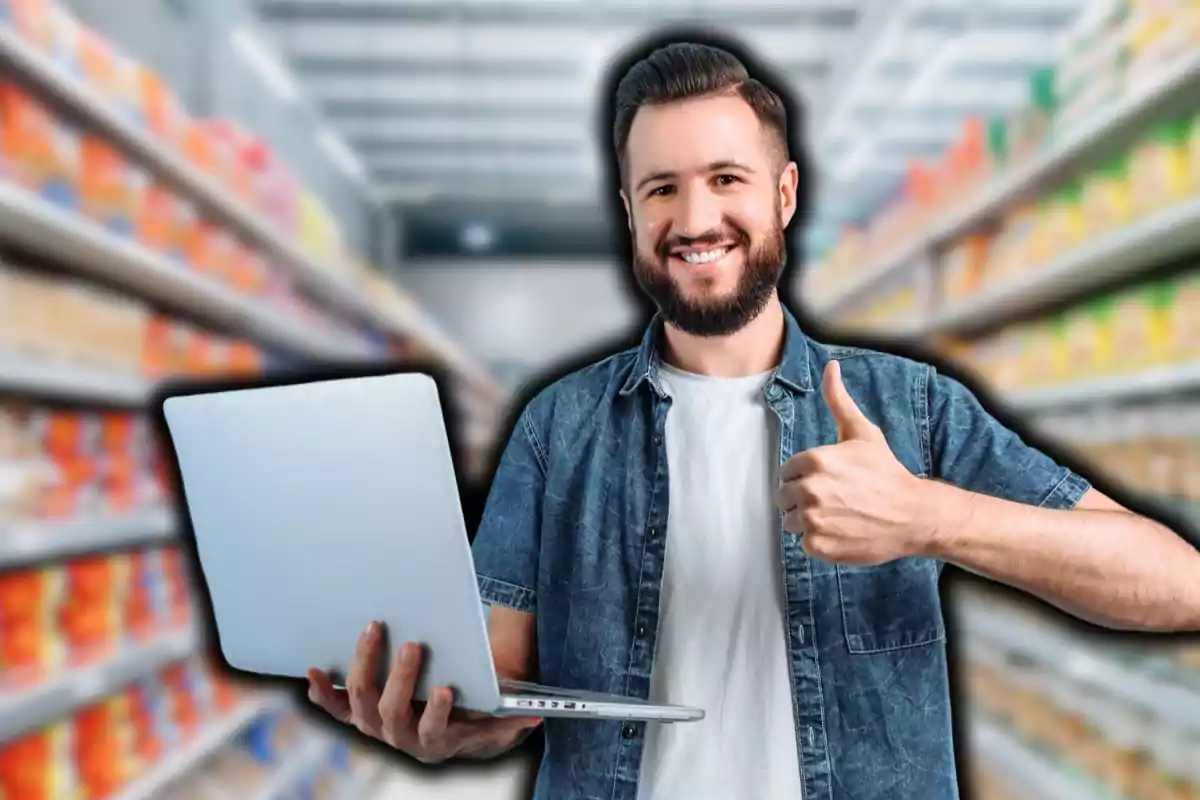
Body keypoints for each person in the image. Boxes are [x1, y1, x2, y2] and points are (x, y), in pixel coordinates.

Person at [306, 38, 1200, 800]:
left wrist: (930, 516)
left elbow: (1176, 585)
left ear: (784, 193)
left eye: (726, 178)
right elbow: (503, 682)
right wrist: (449, 725)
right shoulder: (558, 426)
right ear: (628, 210)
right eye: (660, 189)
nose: (694, 219)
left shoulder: (907, 406)